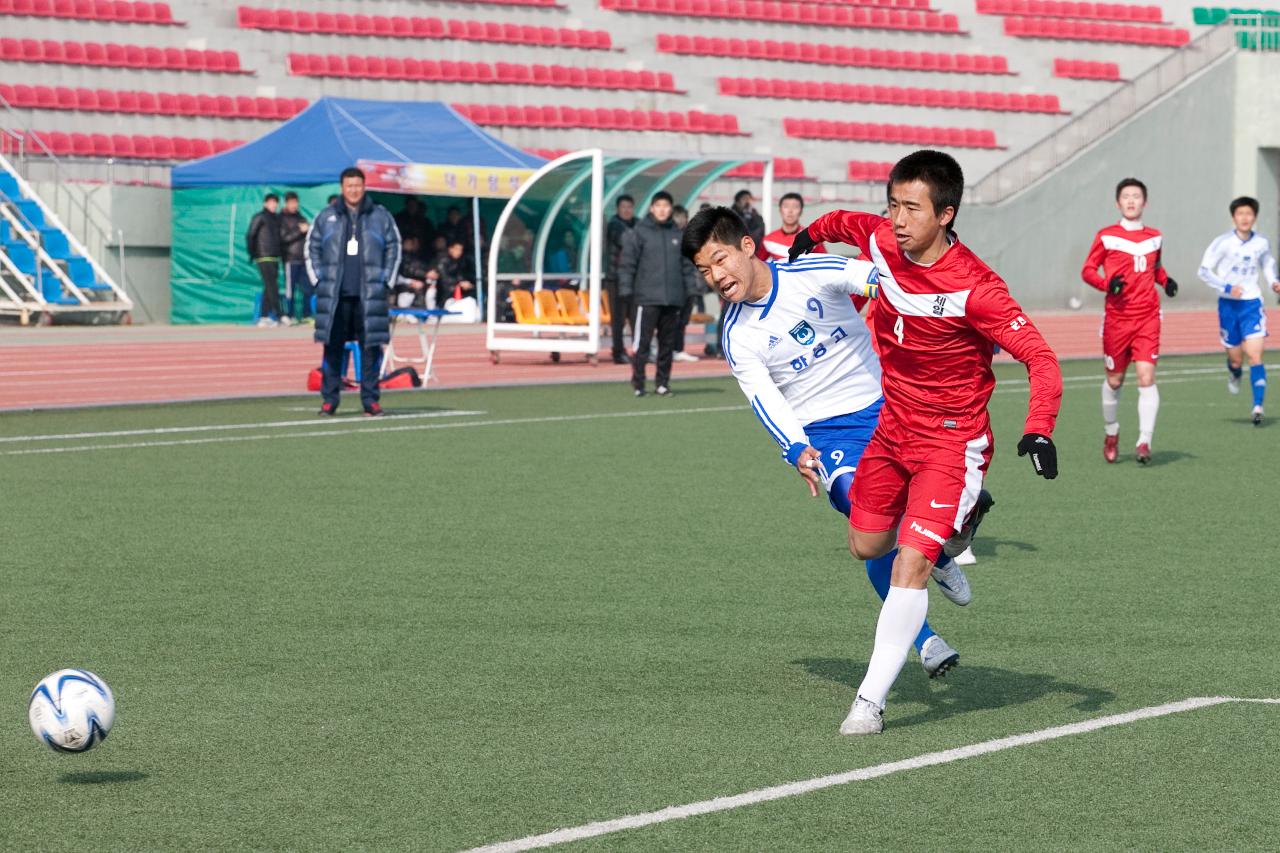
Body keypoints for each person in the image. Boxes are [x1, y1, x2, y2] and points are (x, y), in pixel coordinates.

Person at [789, 149, 1063, 734]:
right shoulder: (884, 242)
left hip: (950, 442)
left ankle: (869, 702)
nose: (897, 219)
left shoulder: (978, 287)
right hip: (890, 430)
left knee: (905, 567)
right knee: (866, 547)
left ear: (946, 214)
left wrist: (1039, 426)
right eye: (892, 205)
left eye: (911, 208)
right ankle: (954, 533)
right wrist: (810, 235)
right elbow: (844, 222)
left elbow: (1040, 356)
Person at [683, 206, 975, 681]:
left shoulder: (813, 274)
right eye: (704, 270)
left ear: (747, 247)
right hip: (828, 436)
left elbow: (883, 280)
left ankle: (940, 554)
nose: (716, 276)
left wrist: (935, 303)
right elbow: (764, 399)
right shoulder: (737, 336)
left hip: (891, 407)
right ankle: (927, 638)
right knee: (869, 526)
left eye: (720, 260)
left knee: (901, 523)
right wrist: (795, 447)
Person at [1081, 178, 1179, 463]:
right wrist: (1107, 285)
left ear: (1144, 202)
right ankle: (1111, 432)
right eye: (1126, 196)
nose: (1132, 200)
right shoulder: (1106, 235)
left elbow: (1156, 268)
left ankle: (1144, 442)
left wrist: (1166, 281)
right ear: (1118, 202)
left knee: (1147, 377)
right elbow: (1088, 270)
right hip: (1117, 319)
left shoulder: (1155, 237)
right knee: (1114, 379)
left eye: (1137, 196)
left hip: (1148, 317)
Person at [306, 167, 401, 417]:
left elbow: (394, 246)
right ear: (342, 188)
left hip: (369, 295)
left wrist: (386, 280)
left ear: (364, 186)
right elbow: (311, 247)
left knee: (371, 348)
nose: (354, 190)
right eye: (349, 186)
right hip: (336, 296)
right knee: (332, 348)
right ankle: (329, 400)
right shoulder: (326, 217)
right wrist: (319, 279)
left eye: (358, 185)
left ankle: (371, 400)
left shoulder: (380, 216)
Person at [1197, 196, 1278, 426]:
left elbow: (1268, 265)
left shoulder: (1261, 242)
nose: (1245, 218)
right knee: (1235, 357)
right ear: (1233, 217)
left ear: (1255, 217)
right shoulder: (1222, 243)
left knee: (1255, 355)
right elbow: (1203, 271)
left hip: (1252, 304)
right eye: (1240, 214)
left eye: (1249, 214)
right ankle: (1234, 372)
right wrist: (1227, 287)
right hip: (1228, 305)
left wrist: (1274, 281)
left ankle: (1258, 406)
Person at [618, 191, 700, 396]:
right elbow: (628, 263)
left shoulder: (678, 234)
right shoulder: (640, 232)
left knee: (667, 344)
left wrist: (691, 290)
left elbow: (687, 266)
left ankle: (662, 383)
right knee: (642, 344)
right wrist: (626, 290)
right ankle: (638, 384)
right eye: (658, 206)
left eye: (666, 206)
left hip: (672, 299)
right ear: (651, 208)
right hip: (646, 299)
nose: (662, 210)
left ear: (671, 209)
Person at [245, 193, 290, 327]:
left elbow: (280, 238)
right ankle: (280, 315)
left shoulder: (276, 219)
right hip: (264, 256)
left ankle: (264, 317)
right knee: (273, 286)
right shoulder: (259, 217)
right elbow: (250, 235)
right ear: (265, 203)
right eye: (270, 202)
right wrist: (254, 253)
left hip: (274, 257)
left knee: (269, 287)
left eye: (275, 202)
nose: (273, 205)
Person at [605, 195, 637, 364]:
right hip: (615, 279)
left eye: (629, 207)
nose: (626, 210)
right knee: (618, 318)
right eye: (623, 207)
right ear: (618, 209)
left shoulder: (637, 224)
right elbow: (627, 241)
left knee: (635, 317)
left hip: (634, 279)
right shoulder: (614, 225)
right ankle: (618, 352)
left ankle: (638, 349)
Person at [670, 204, 702, 364]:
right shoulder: (670, 237)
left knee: (683, 320)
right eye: (677, 217)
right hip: (675, 286)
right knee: (673, 321)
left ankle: (678, 349)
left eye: (682, 217)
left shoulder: (689, 237)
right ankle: (673, 349)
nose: (680, 220)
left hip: (689, 285)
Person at [760, 193, 826, 262]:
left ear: (801, 211)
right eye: (786, 206)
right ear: (780, 210)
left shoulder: (812, 237)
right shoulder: (768, 240)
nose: (790, 211)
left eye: (795, 207)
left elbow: (825, 264)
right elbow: (757, 266)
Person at [280, 192, 311, 322]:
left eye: (295, 202)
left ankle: (306, 315)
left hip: (303, 259)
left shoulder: (301, 217)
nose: (294, 205)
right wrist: (300, 231)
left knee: (308, 288)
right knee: (290, 289)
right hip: (290, 259)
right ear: (286, 203)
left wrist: (308, 230)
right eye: (291, 202)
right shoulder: (281, 218)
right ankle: (289, 314)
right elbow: (284, 238)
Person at [433, 239, 476, 304]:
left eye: (461, 250)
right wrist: (460, 283)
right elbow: (444, 279)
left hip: (457, 291)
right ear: (450, 249)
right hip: (444, 294)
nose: (459, 252)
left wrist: (466, 283)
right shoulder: (443, 261)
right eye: (457, 249)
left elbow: (461, 276)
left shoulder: (461, 261)